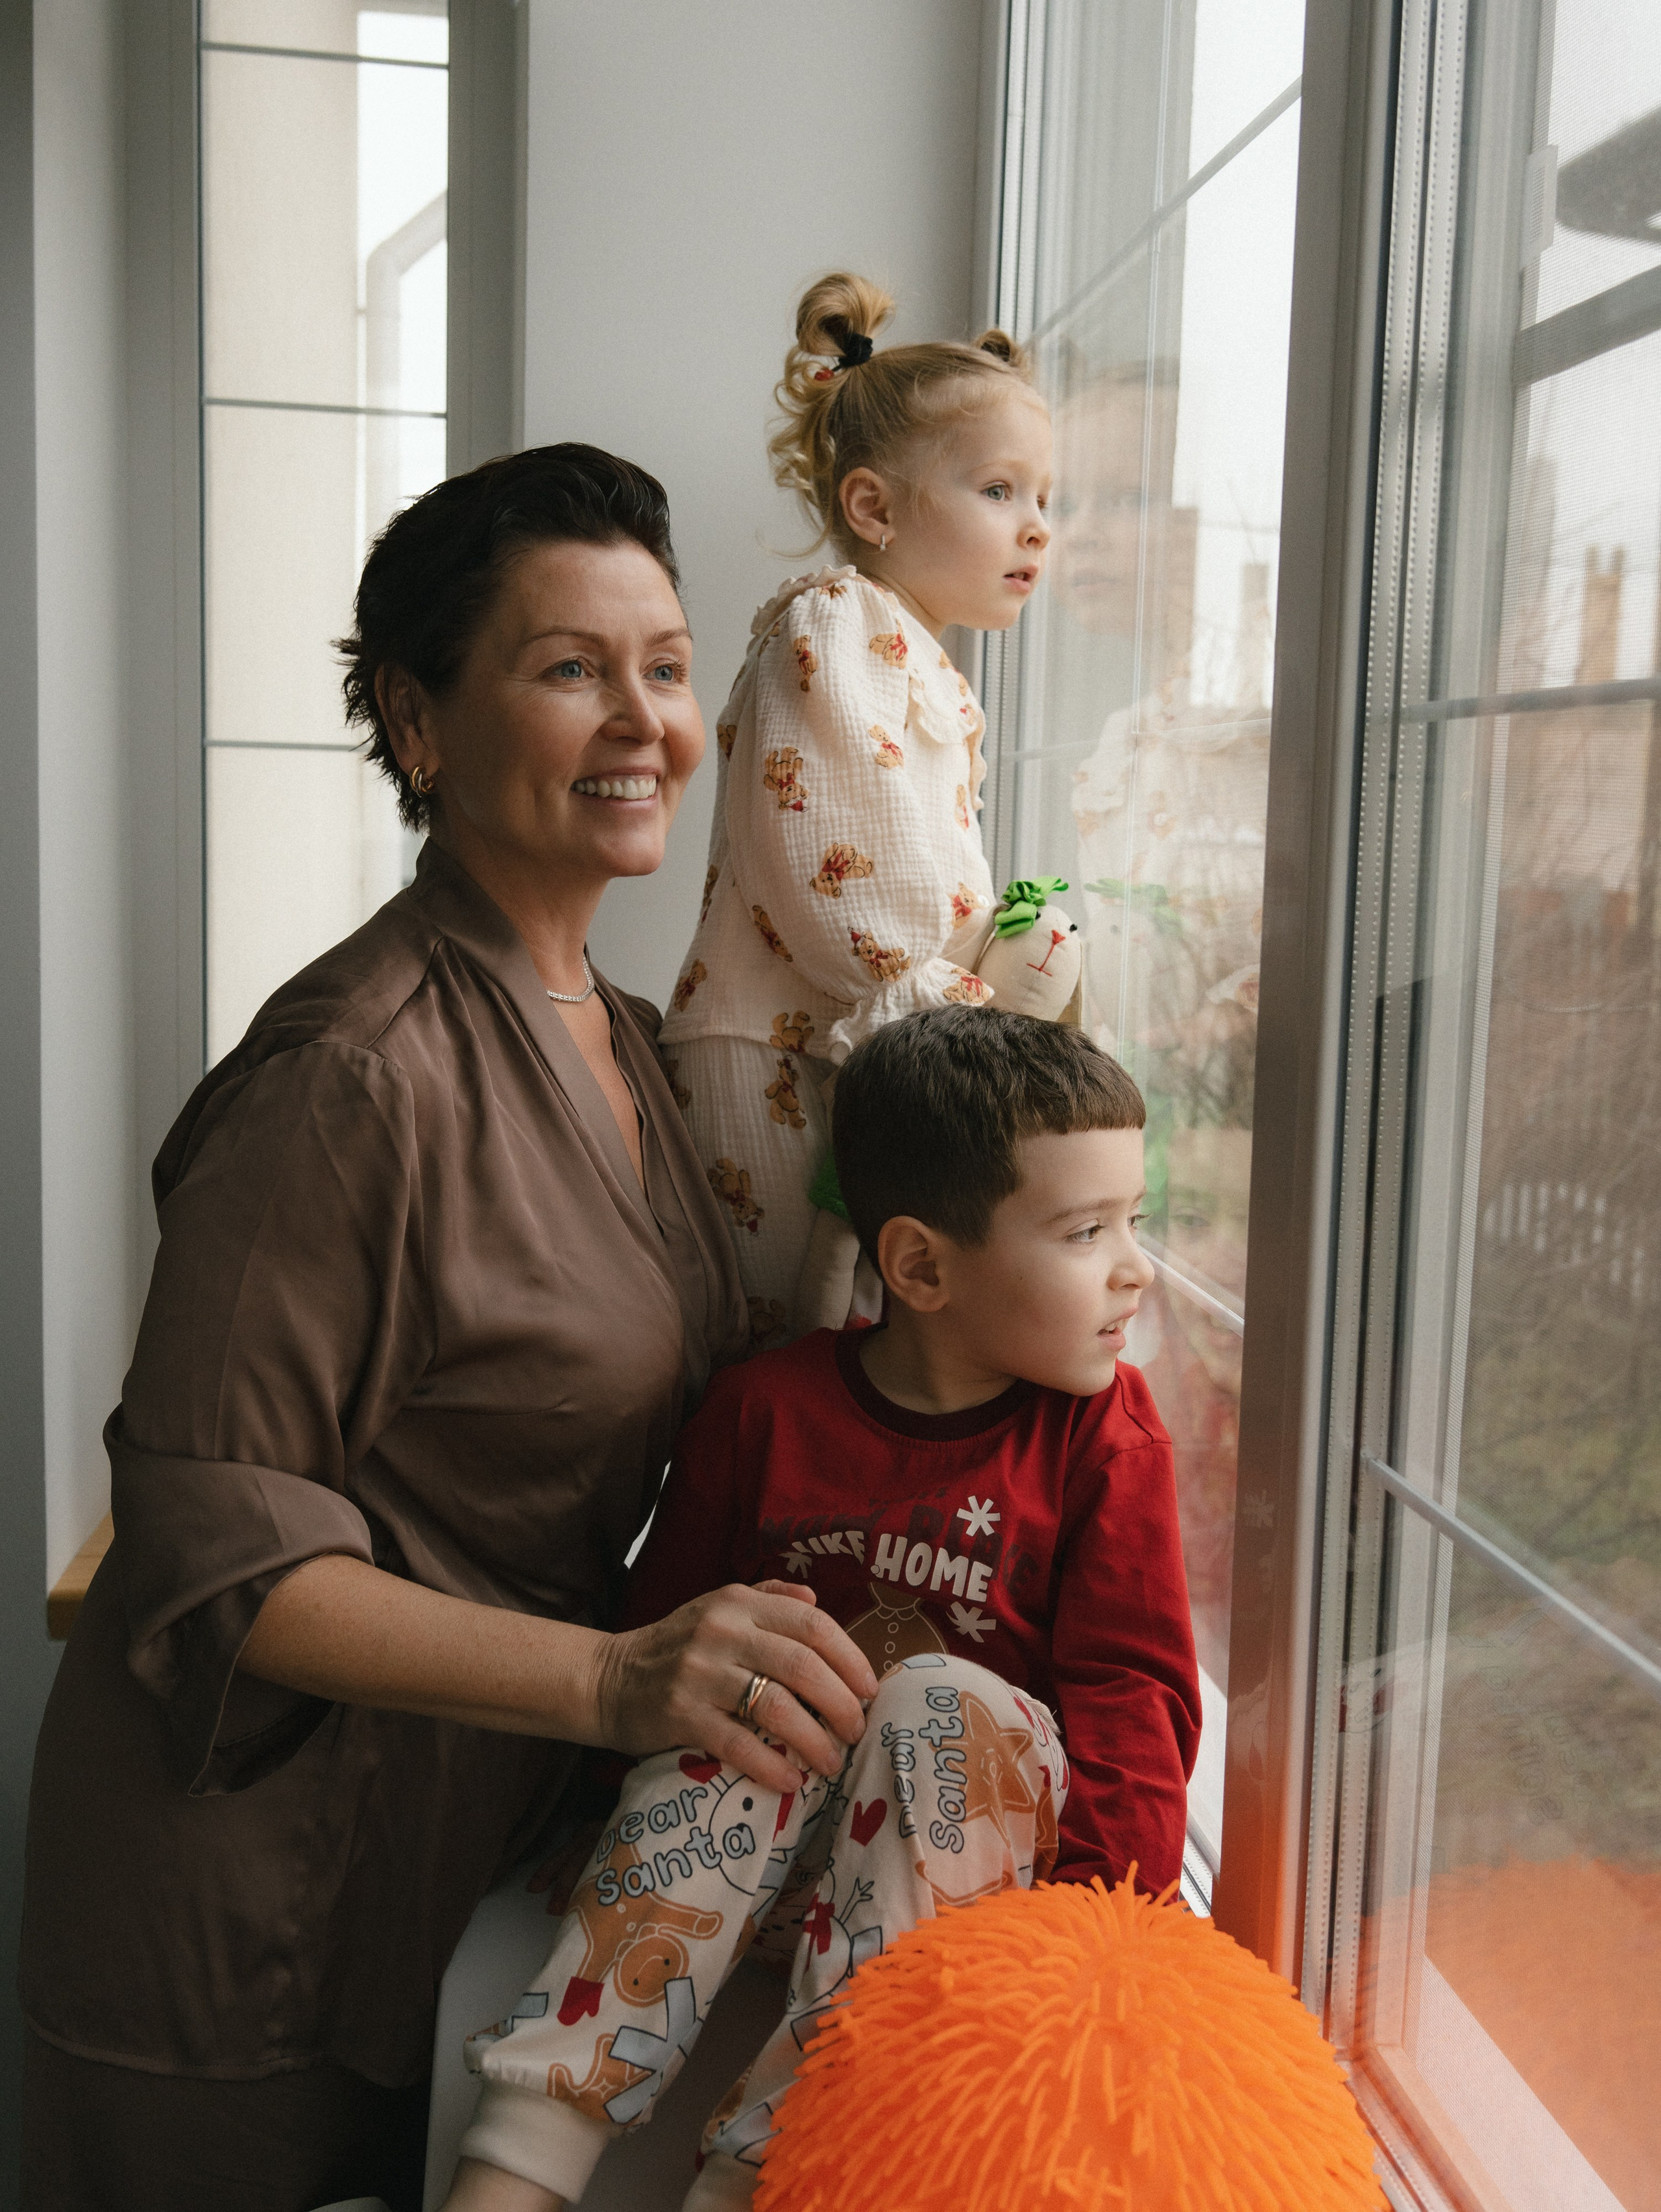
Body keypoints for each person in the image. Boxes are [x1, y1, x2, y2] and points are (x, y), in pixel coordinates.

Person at [19, 444, 877, 2212]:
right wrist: (619, 1681)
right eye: (569, 669)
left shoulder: (632, 1037)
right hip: (245, 1900)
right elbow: (209, 1559)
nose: (639, 717)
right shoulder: (355, 1076)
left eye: (661, 663)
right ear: (419, 722)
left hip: (459, 1851)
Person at [445, 1005, 1202, 2212]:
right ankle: (512, 2178)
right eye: (1086, 1230)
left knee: (935, 1700)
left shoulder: (1104, 1438)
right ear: (920, 1268)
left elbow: (1133, 1694)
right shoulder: (766, 1412)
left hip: (960, 1889)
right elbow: (667, 1642)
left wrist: (1099, 1934)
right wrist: (605, 1815)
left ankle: (775, 2180)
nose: (1135, 1267)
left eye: (1134, 1221)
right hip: (768, 1863)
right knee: (751, 1686)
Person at [658, 272, 1053, 1348]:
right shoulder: (840, 623)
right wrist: (964, 1001)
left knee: (847, 1347)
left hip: (855, 1042)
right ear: (873, 507)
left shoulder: (907, 648)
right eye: (1000, 491)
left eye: (1044, 500)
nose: (1037, 529)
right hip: (785, 1051)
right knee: (790, 1361)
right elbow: (843, 866)